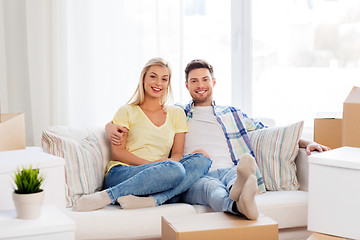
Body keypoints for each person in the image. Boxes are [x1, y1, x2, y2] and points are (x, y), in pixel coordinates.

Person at [106, 59, 330, 219]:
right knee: (211, 189)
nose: (200, 85)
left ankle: (240, 190)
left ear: (213, 82)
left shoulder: (232, 113)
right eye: (194, 81)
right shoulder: (179, 113)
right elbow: (141, 117)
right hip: (200, 174)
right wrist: (109, 127)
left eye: (205, 79)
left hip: (231, 167)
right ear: (186, 86)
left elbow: (266, 130)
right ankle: (239, 203)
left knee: (236, 175)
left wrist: (306, 142)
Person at [73, 58, 212, 212]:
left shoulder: (176, 113)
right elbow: (118, 152)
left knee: (202, 158)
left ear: (168, 84)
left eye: (164, 79)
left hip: (162, 173)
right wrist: (154, 166)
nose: (158, 83)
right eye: (153, 76)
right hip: (124, 172)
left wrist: (167, 165)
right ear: (144, 78)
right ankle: (107, 195)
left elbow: (178, 153)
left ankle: (153, 200)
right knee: (175, 171)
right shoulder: (127, 111)